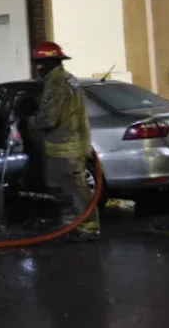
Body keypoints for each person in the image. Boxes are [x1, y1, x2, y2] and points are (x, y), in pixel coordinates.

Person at [25, 41, 100, 242]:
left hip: (65, 148)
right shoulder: (68, 80)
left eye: (39, 63)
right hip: (69, 145)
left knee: (72, 189)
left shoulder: (56, 84)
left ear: (45, 63)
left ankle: (87, 227)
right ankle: (72, 225)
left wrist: (30, 120)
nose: (37, 68)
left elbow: (49, 118)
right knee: (66, 187)